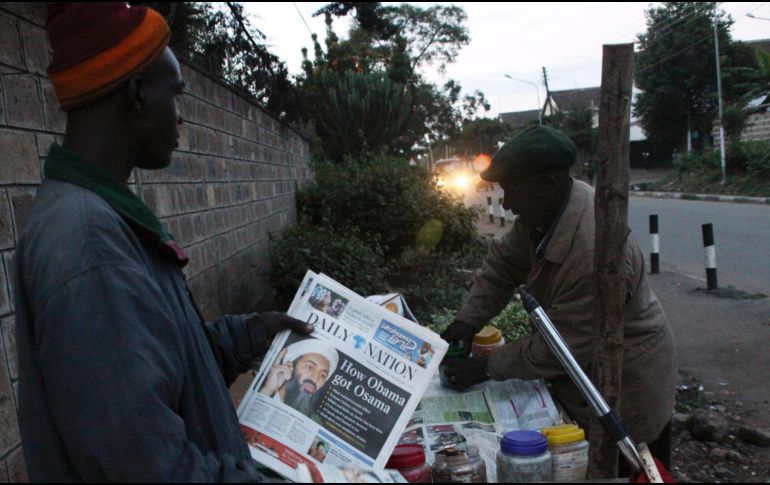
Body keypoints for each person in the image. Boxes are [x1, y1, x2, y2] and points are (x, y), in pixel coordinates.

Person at [14, 3, 311, 481]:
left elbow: (159, 371)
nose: (180, 117)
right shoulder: (90, 244)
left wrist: (247, 335)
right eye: (174, 95)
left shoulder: (101, 216)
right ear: (135, 93)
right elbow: (146, 465)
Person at [441, 126, 676, 458]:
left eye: (511, 192)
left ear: (547, 184)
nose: (507, 205)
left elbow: (560, 348)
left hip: (628, 388)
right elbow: (502, 267)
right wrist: (466, 321)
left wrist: (484, 367)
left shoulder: (595, 253)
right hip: (583, 380)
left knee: (634, 467)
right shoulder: (545, 210)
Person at [258, 340, 339, 417]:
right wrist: (268, 390)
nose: (315, 379)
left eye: (323, 375)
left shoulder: (314, 419)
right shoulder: (266, 392)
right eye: (309, 367)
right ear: (291, 365)